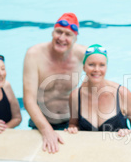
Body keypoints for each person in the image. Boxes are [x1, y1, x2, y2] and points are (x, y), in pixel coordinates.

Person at [23, 12, 87, 153]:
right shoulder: (34, 54)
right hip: (40, 123)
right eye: (59, 32)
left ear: (75, 38)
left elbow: (97, 88)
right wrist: (47, 130)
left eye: (68, 34)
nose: (62, 38)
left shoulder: (83, 55)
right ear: (52, 33)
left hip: (71, 124)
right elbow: (28, 100)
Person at [65, 44, 131, 136]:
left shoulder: (122, 94)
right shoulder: (75, 96)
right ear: (84, 67)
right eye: (91, 65)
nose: (96, 69)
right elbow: (74, 123)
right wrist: (73, 129)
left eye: (101, 65)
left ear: (106, 67)